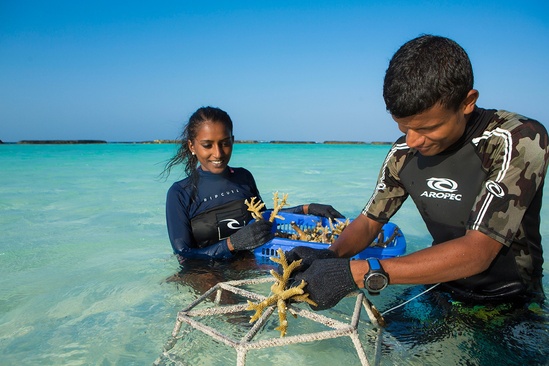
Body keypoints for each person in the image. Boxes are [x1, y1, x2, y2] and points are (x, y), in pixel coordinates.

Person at [288, 35, 549, 310]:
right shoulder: (403, 153)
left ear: (466, 102)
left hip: (510, 299)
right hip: (439, 284)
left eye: (427, 128)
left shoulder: (517, 138)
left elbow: (478, 252)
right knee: (385, 346)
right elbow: (369, 222)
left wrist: (357, 272)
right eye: (403, 127)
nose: (412, 141)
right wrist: (330, 256)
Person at [163, 106, 343, 263]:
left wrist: (306, 208)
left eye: (225, 143)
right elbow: (184, 254)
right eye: (207, 145)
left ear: (232, 140)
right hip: (205, 274)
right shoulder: (180, 193)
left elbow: (263, 220)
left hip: (249, 263)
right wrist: (231, 244)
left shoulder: (244, 177)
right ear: (192, 146)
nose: (218, 153)